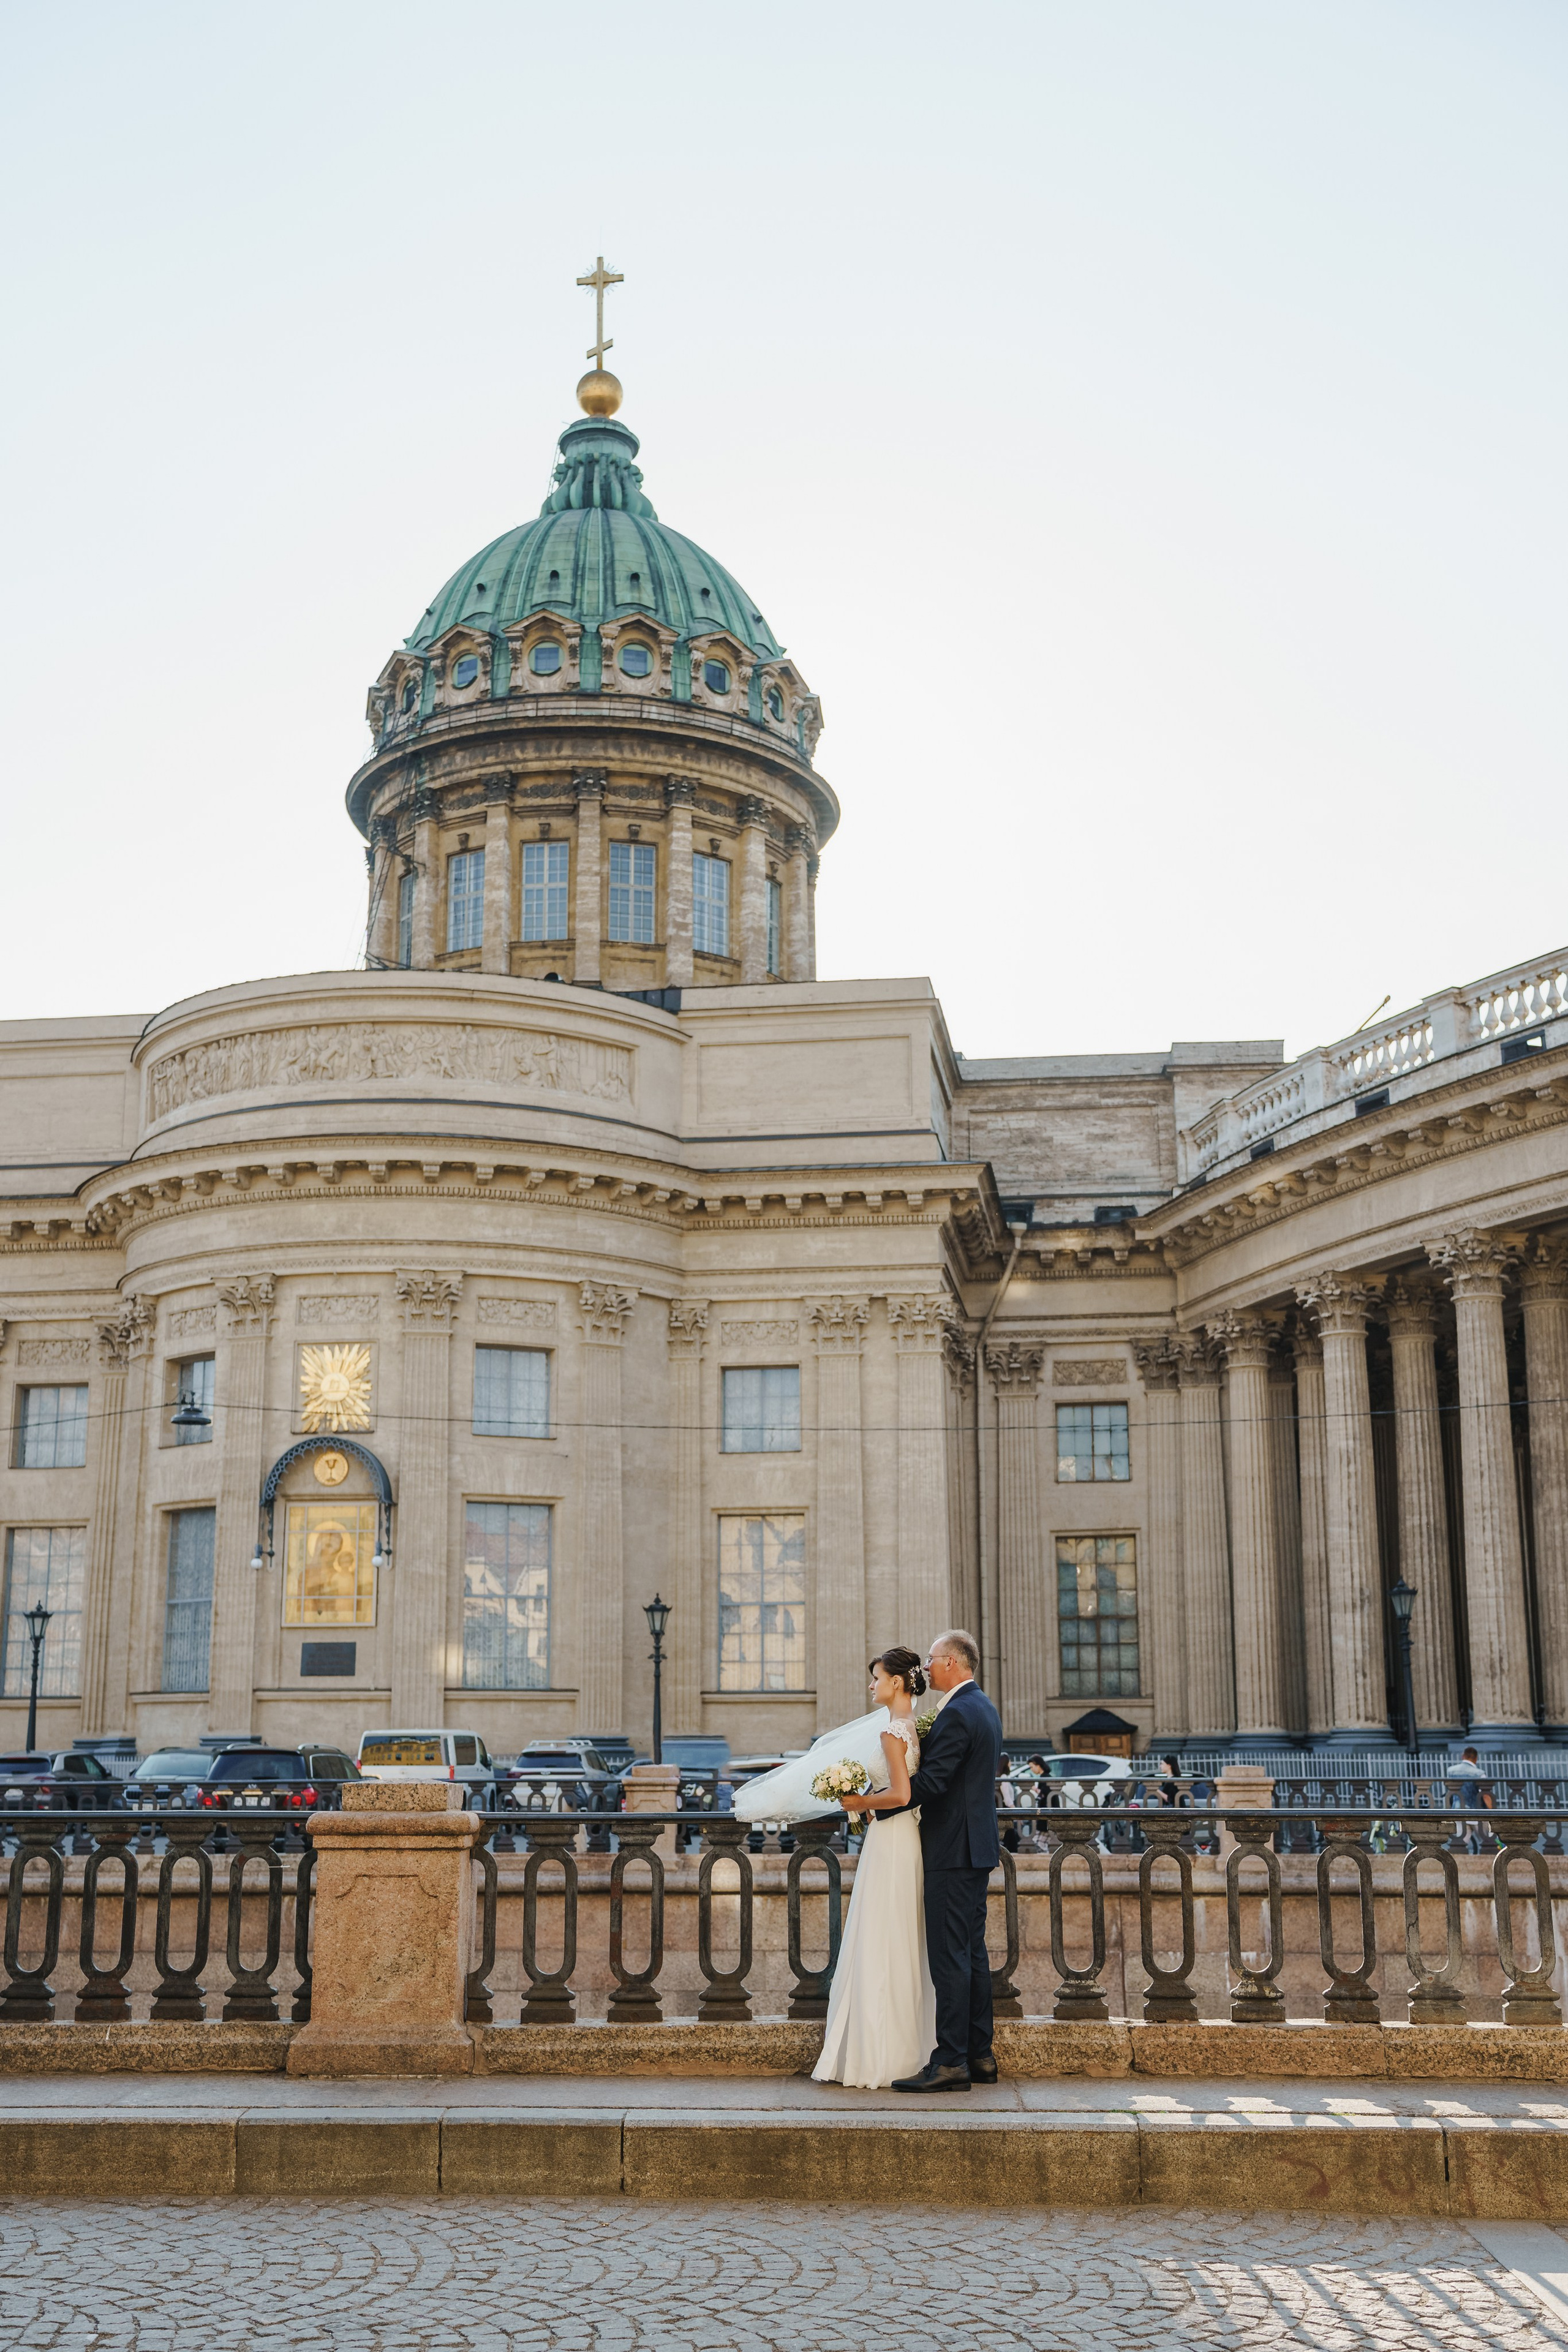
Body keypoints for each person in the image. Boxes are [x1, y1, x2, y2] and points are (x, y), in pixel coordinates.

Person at [845, 1626, 1003, 2095]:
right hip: (973, 1848)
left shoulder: (957, 1713)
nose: (926, 1667)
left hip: (951, 1849)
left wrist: (871, 1806)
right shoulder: (982, 1707)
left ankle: (951, 2061)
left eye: (933, 1659)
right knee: (972, 1954)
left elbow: (930, 1785)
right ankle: (981, 2054)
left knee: (951, 1957)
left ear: (952, 1662)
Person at [810, 1648, 936, 2087]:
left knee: (881, 1932)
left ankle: (876, 2052)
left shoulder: (891, 1732)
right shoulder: (913, 1729)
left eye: (877, 1677)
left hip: (893, 1837)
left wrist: (860, 1801)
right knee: (899, 1933)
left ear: (898, 1682)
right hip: (906, 1838)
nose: (871, 1685)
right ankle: (905, 2047)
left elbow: (901, 1794)